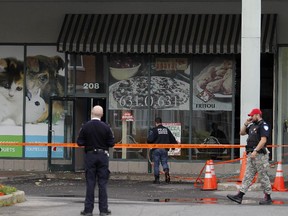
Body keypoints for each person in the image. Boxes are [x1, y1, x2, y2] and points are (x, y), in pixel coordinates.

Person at [227, 108, 272, 205]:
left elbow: (263, 140)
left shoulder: (263, 126)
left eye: (252, 115)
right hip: (251, 154)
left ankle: (268, 197)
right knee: (248, 176)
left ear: (257, 115)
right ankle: (239, 196)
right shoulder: (252, 126)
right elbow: (242, 133)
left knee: (263, 176)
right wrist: (246, 123)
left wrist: (256, 151)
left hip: (260, 155)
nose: (251, 117)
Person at [77, 105, 115, 216]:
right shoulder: (106, 127)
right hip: (103, 156)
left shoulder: (85, 127)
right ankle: (103, 210)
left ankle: (88, 210)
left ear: (92, 113)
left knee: (90, 183)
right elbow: (111, 143)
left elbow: (79, 142)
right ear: (102, 115)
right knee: (102, 183)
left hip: (90, 156)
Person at [147, 117, 178, 184]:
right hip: (164, 149)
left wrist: (150, 143)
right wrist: (173, 146)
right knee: (164, 162)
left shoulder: (154, 130)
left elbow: (149, 140)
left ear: (155, 123)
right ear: (161, 122)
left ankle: (157, 179)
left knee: (156, 165)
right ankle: (166, 172)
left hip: (156, 150)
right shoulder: (166, 130)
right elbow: (172, 139)